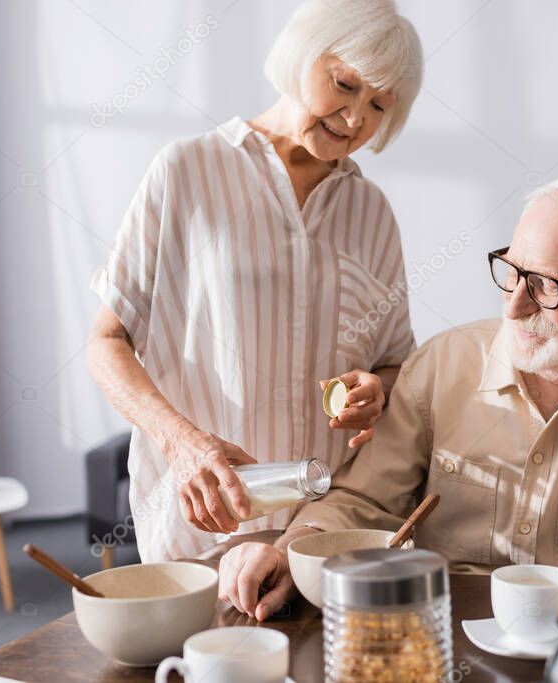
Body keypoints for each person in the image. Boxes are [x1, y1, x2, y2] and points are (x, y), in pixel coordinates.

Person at [219, 172, 558, 619]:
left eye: (545, 286)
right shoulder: (444, 364)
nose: (513, 305)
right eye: (512, 271)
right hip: (440, 638)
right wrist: (290, 548)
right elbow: (361, 501)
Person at [86, 0, 424, 562]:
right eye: (344, 84)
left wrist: (378, 390)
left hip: (322, 532)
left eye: (378, 105)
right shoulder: (186, 171)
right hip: (203, 520)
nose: (355, 117)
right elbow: (105, 344)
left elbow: (394, 362)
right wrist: (184, 443)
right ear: (303, 55)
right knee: (200, 652)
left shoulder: (372, 212)